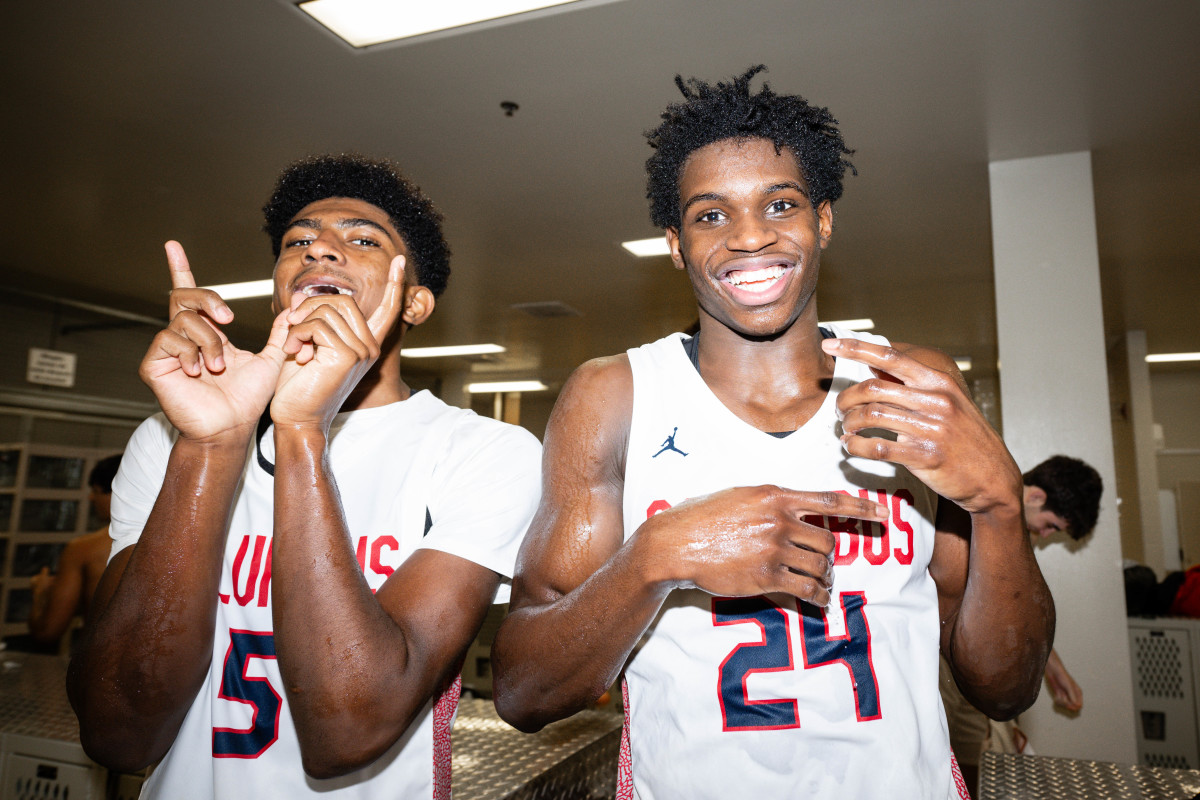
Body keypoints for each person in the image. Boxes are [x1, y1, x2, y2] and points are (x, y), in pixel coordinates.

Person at [491, 66, 1054, 799]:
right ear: (675, 243)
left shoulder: (906, 383)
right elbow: (523, 690)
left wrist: (1002, 507)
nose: (750, 238)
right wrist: (657, 557)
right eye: (711, 215)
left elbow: (1005, 690)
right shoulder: (615, 394)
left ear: (823, 220)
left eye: (779, 205)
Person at [67, 155, 541, 798]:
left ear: (415, 302)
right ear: (277, 291)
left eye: (363, 238)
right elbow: (118, 735)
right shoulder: (168, 441)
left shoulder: (484, 452)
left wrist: (300, 431)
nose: (319, 247)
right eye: (298, 241)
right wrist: (212, 446)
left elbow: (345, 732)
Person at [941, 454, 1101, 795]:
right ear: (1036, 496)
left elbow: (1011, 620)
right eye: (1050, 525)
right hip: (938, 659)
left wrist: (1055, 671)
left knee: (973, 763)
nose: (1043, 535)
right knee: (940, 761)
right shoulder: (972, 507)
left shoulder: (1011, 537)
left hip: (973, 670)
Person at [28, 454, 122, 647]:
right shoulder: (177, 544)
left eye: (96, 491)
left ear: (117, 492)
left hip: (99, 670)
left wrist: (41, 594)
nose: (90, 497)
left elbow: (47, 632)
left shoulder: (85, 549)